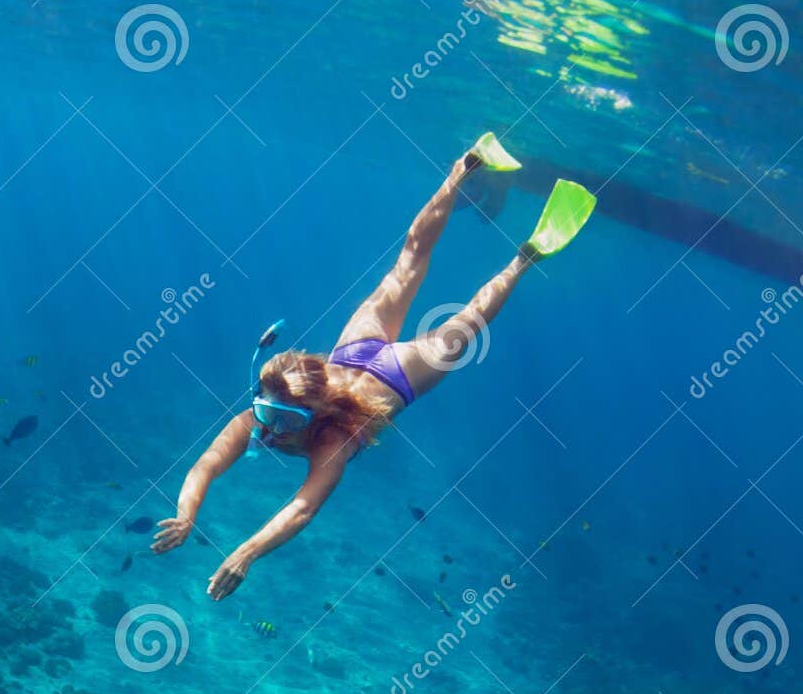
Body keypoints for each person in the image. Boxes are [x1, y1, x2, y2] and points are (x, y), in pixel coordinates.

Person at [152, 135, 595, 600]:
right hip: (352, 352)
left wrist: (246, 553)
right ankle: (465, 167)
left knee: (465, 319)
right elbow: (205, 466)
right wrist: (187, 513)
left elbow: (302, 508)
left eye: (284, 420)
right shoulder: (259, 418)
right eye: (266, 414)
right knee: (410, 266)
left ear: (317, 411)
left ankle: (523, 249)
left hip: (398, 373)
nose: (271, 430)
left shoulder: (332, 440)